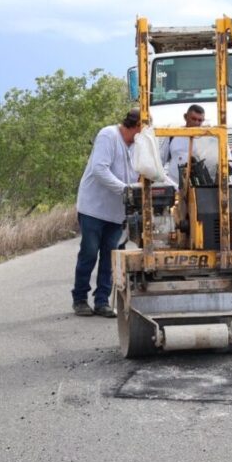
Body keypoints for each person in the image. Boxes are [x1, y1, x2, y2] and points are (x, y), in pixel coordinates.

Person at [72, 109, 142, 317]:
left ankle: (102, 301)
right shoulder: (108, 135)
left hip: (117, 212)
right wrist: (127, 190)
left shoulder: (138, 146)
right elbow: (99, 169)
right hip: (94, 208)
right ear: (136, 125)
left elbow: (146, 169)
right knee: (90, 253)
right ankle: (80, 298)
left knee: (110, 257)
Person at [163, 104, 217, 185]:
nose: (196, 123)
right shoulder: (173, 135)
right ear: (185, 117)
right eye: (193, 119)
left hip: (199, 187)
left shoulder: (208, 138)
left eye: (200, 120)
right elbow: (161, 158)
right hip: (175, 186)